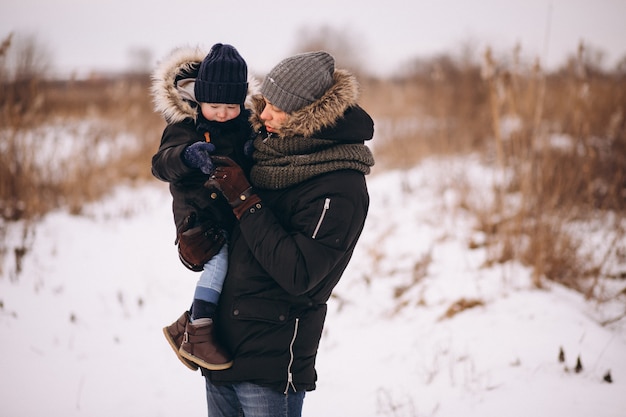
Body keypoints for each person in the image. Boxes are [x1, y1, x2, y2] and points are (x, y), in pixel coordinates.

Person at [202, 51, 375, 416]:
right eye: (264, 102)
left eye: (276, 108)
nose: (262, 115)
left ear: (306, 114)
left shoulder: (340, 184)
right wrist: (196, 239)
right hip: (221, 351)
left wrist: (245, 200)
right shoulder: (268, 156)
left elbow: (299, 274)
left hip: (271, 366)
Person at [150, 43, 255, 371]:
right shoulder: (183, 126)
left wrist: (254, 150)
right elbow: (160, 164)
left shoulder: (245, 127)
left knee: (235, 269)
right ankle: (199, 333)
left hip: (232, 211)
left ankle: (186, 325)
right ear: (199, 101)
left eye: (231, 106)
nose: (222, 114)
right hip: (199, 216)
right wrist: (185, 156)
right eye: (213, 105)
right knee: (218, 264)